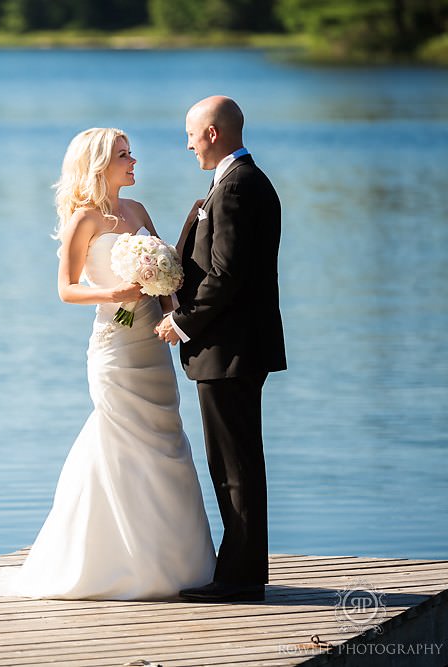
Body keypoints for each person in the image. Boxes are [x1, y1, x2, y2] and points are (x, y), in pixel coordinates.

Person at [0, 128, 215, 601]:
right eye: (124, 155)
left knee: (166, 440)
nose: (134, 161)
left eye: (131, 153)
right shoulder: (85, 219)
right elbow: (66, 288)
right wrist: (115, 293)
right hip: (115, 348)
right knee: (123, 439)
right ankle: (114, 561)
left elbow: (167, 274)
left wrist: (170, 313)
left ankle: (178, 562)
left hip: (151, 344)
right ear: (100, 163)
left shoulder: (139, 212)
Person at [156, 96, 287, 603]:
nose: (187, 144)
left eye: (191, 134)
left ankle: (239, 578)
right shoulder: (238, 182)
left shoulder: (236, 188)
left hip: (229, 349)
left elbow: (227, 274)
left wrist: (182, 322)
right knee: (236, 464)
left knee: (234, 467)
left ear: (212, 133)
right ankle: (242, 569)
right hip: (234, 348)